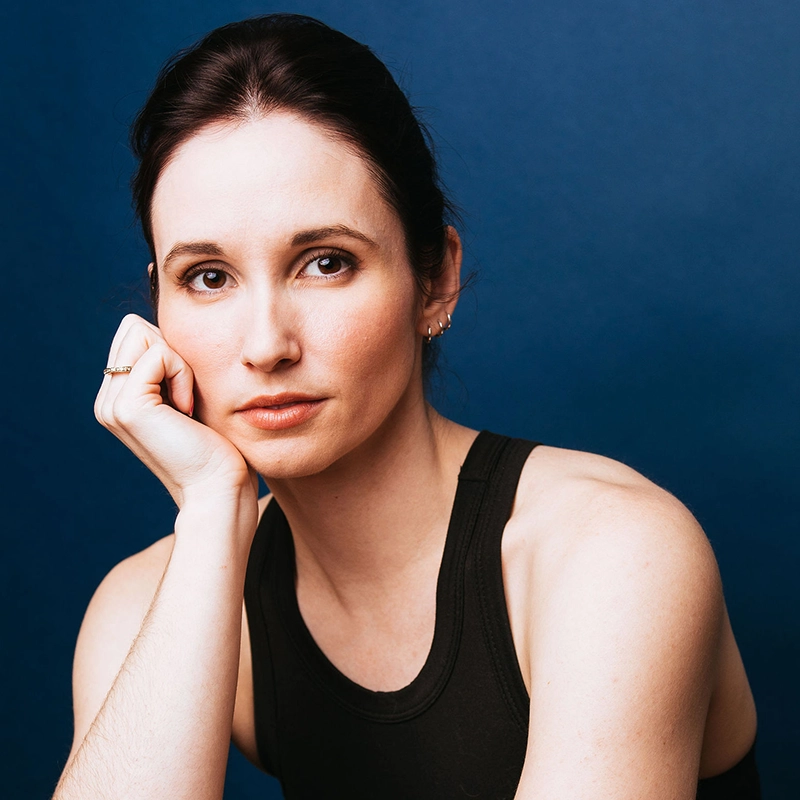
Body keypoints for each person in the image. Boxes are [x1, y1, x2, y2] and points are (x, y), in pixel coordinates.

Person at [53, 13, 760, 800]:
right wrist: (214, 510)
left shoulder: (612, 555)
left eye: (326, 263)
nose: (266, 344)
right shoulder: (153, 600)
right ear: (158, 307)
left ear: (435, 280)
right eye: (209, 278)